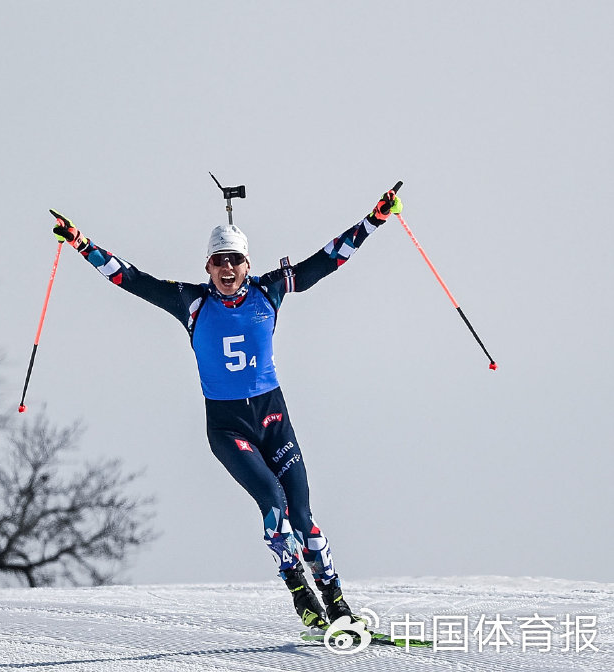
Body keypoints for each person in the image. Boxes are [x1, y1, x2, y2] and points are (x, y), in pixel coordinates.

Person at [48, 187, 401, 630]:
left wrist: (375, 219)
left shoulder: (270, 291)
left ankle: (337, 602)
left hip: (274, 418)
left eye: (235, 260)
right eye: (219, 261)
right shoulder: (191, 303)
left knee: (304, 518)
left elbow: (325, 261)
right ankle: (298, 589)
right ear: (208, 267)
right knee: (273, 503)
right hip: (228, 426)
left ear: (248, 264)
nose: (227, 269)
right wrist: (81, 243)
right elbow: (130, 279)